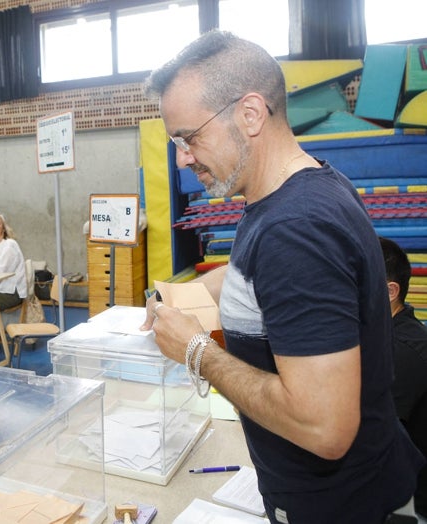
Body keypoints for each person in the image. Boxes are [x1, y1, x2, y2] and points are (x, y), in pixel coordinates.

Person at [141, 31, 423, 523]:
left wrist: (196, 351)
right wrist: (185, 294)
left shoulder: (295, 228)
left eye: (189, 137)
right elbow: (258, 274)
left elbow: (324, 428)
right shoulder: (302, 187)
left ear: (250, 114)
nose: (183, 157)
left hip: (339, 507)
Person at [381, 236, 427, 521]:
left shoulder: (403, 350)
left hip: (414, 505)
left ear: (390, 291)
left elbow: (371, 441)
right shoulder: (385, 333)